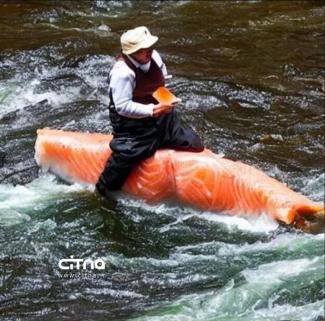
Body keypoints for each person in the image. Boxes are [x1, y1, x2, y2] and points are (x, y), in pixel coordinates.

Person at [96, 26, 204, 196]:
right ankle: (102, 190)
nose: (149, 51)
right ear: (131, 52)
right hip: (132, 126)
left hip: (161, 115)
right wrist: (153, 110)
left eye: (150, 47)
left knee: (194, 143)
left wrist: (166, 99)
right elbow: (122, 106)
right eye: (143, 49)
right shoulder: (122, 73)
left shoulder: (154, 57)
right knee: (126, 157)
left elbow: (161, 81)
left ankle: (157, 148)